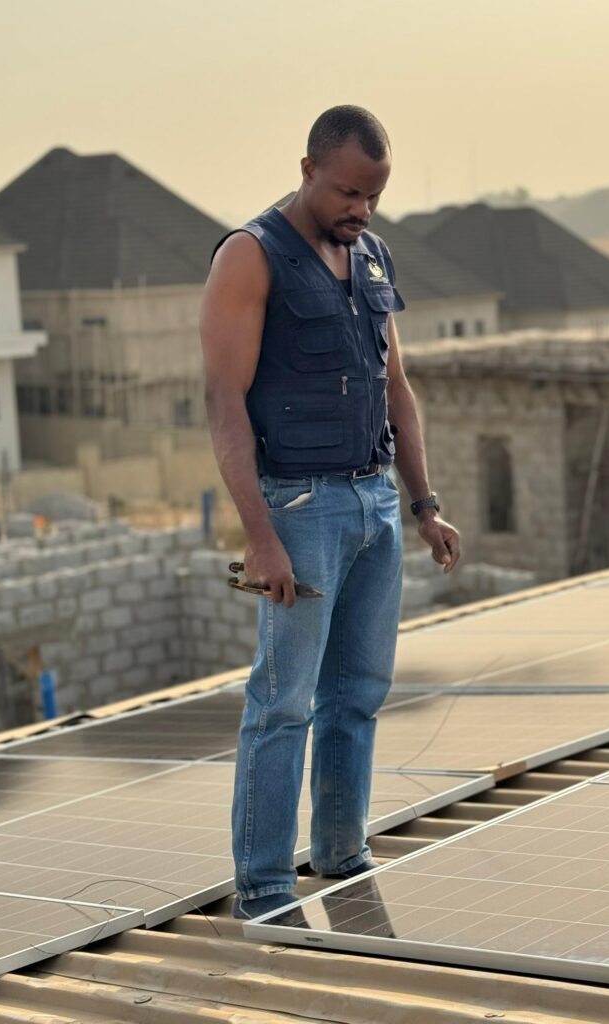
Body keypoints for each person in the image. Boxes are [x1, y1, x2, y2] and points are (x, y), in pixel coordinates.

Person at [200, 105, 461, 919]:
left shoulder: (372, 257)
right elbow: (223, 402)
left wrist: (424, 504)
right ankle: (266, 889)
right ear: (308, 168)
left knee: (360, 693)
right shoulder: (250, 257)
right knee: (283, 704)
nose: (360, 210)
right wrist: (259, 534)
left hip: (376, 500)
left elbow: (396, 391)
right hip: (299, 506)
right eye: (348, 192)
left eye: (373, 198)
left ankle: (342, 854)